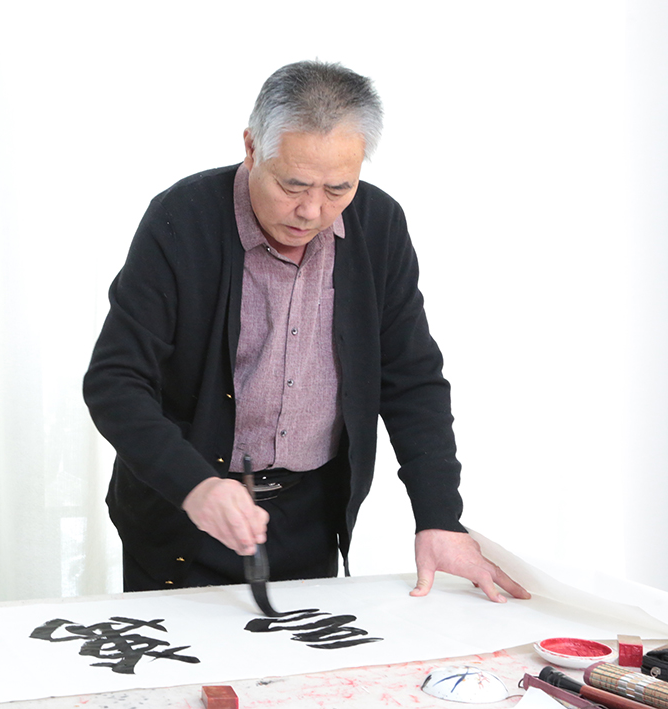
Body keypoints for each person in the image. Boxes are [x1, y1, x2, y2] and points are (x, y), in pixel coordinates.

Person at [83, 60, 529, 603]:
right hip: (185, 512)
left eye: (338, 188)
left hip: (310, 515)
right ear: (252, 148)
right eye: (292, 185)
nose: (312, 211)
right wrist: (195, 485)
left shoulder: (379, 225)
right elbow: (115, 381)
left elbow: (412, 380)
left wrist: (439, 517)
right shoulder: (183, 217)